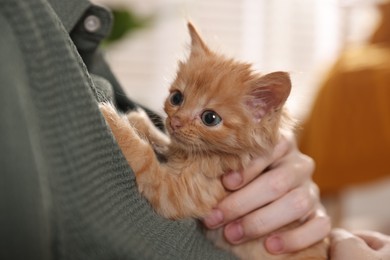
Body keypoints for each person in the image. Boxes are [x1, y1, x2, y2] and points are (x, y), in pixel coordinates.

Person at [0, 0, 329, 259]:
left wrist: (132, 138)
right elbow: (179, 167)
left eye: (209, 118)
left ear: (262, 113)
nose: (178, 119)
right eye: (177, 97)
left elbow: (169, 198)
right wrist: (151, 137)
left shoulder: (227, 167)